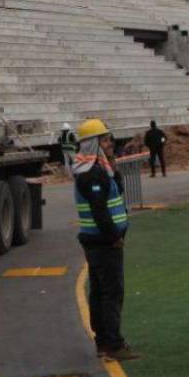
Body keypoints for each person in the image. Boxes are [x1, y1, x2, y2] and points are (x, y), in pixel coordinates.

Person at [73, 118, 140, 361]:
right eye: (105, 139)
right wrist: (114, 237)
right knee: (111, 293)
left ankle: (103, 342)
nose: (110, 143)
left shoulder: (99, 168)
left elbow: (117, 192)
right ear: (93, 143)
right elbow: (100, 211)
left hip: (98, 242)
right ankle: (113, 344)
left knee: (101, 291)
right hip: (103, 242)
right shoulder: (91, 173)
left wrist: (112, 166)